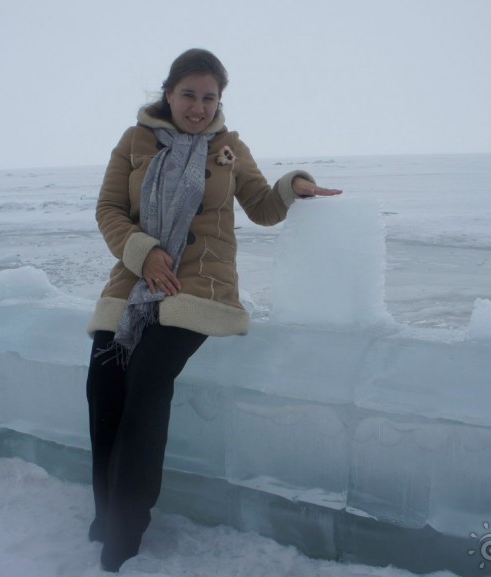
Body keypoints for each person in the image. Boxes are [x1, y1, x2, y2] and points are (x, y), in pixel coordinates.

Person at [84, 48, 342, 572]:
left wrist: (293, 185)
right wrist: (144, 251)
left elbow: (262, 207)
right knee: (102, 390)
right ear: (169, 93)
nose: (199, 107)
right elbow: (109, 210)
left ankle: (124, 534)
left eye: (210, 98)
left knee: (146, 389)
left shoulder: (228, 148)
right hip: (134, 284)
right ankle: (105, 511)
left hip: (199, 288)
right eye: (189, 95)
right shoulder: (134, 141)